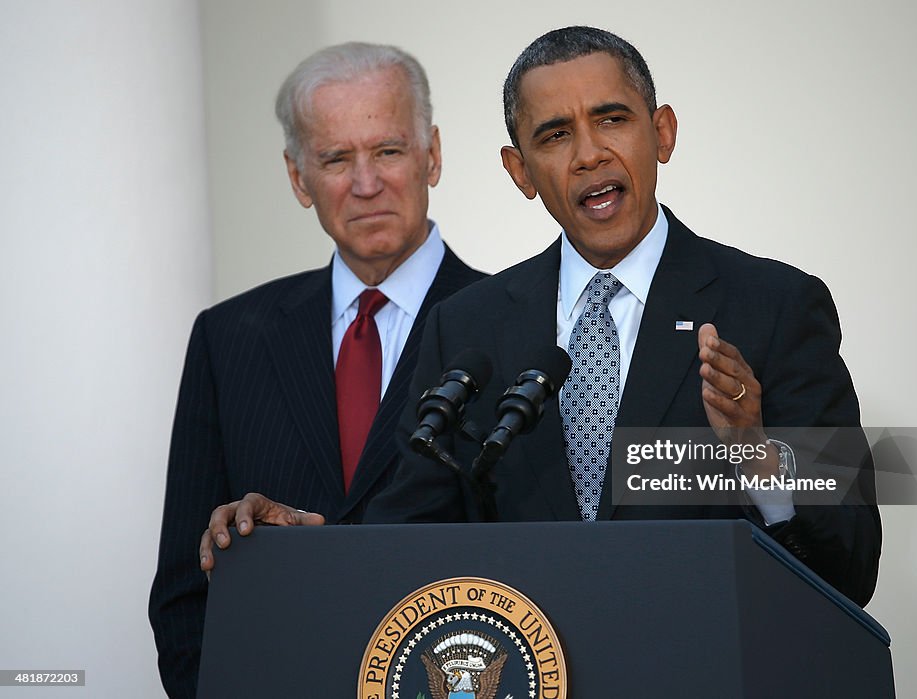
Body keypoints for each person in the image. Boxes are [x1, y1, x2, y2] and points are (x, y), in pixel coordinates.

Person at [211, 27, 881, 606]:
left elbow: (851, 565)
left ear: (664, 132)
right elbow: (407, 538)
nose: (588, 153)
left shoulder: (775, 307)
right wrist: (301, 543)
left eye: (612, 119)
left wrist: (755, 455)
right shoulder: (467, 327)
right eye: (555, 135)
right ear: (520, 170)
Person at [148, 42, 485, 698]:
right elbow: (184, 591)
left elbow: (545, 558)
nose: (366, 183)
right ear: (299, 178)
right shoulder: (227, 339)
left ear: (432, 155)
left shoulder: (514, 327)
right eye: (336, 158)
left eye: (388, 150)